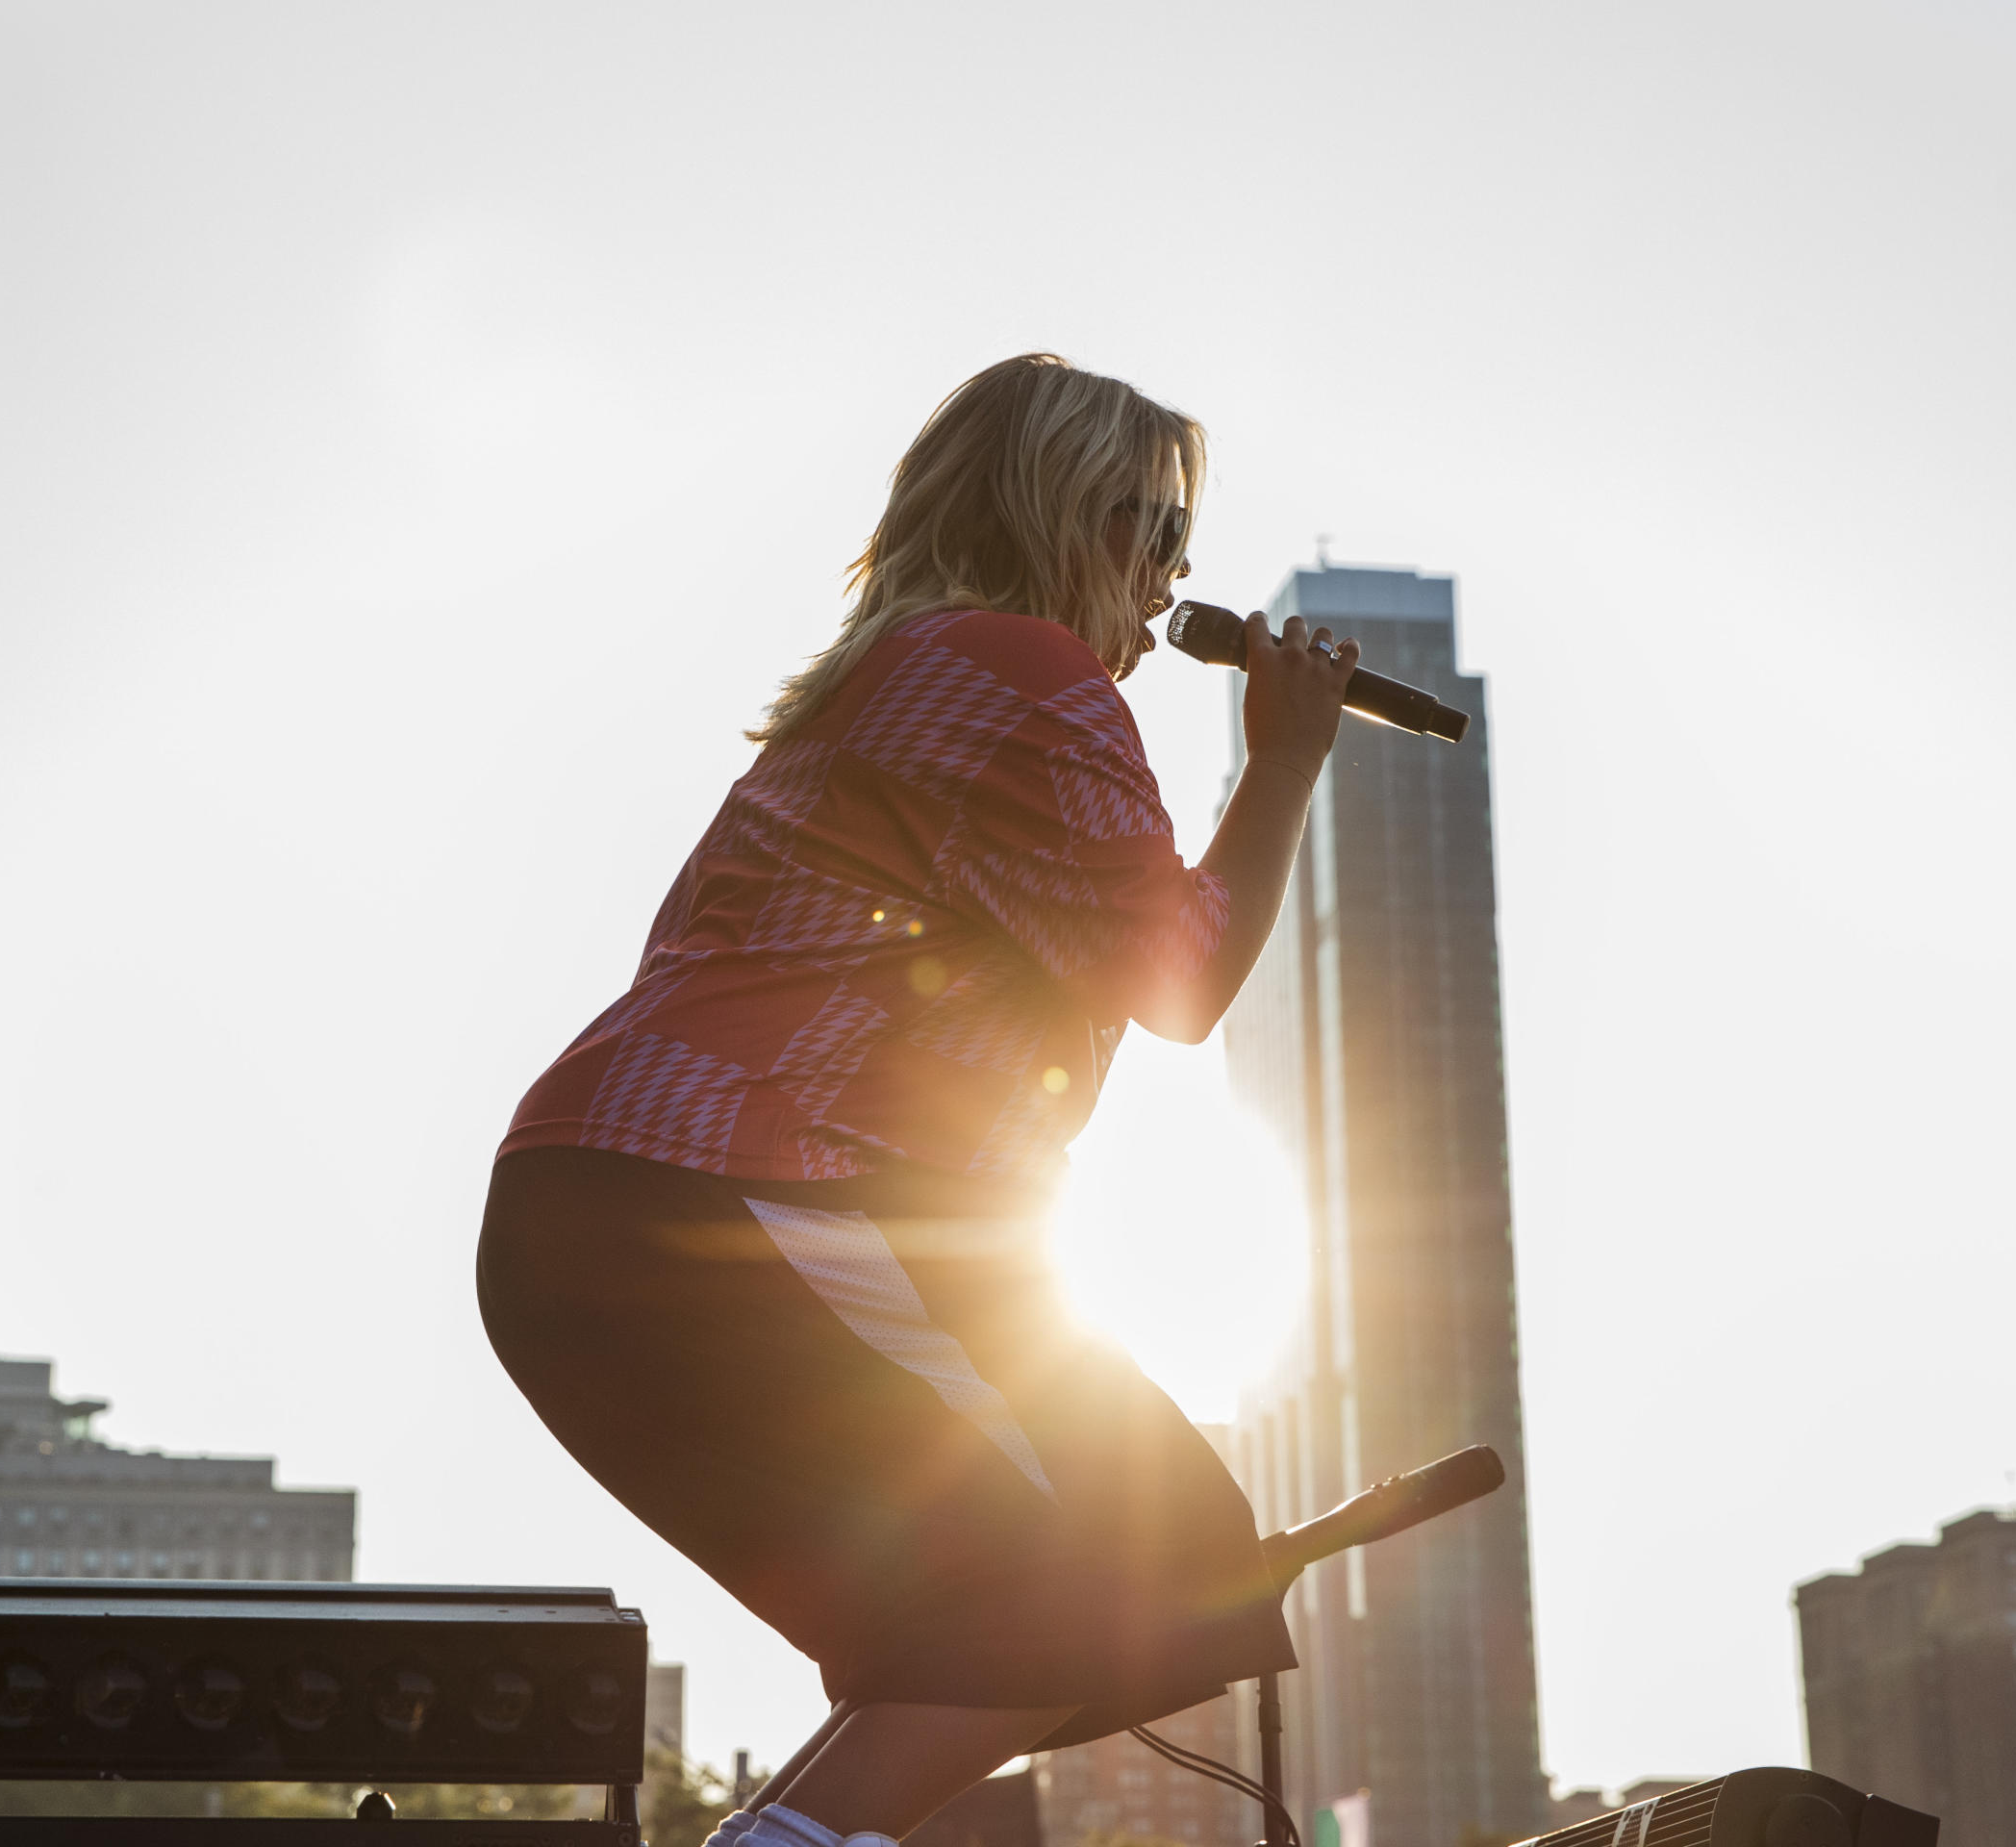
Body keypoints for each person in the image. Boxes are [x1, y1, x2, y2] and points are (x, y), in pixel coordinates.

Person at [476, 353, 1360, 1847]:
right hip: (728, 1199)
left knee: (1097, 1565)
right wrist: (1283, 765)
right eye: (1148, 532)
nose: (1173, 576)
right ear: (1057, 512)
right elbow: (1184, 980)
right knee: (1135, 1563)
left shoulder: (890, 680)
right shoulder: (1025, 673)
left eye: (1182, 544)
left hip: (619, 1211)